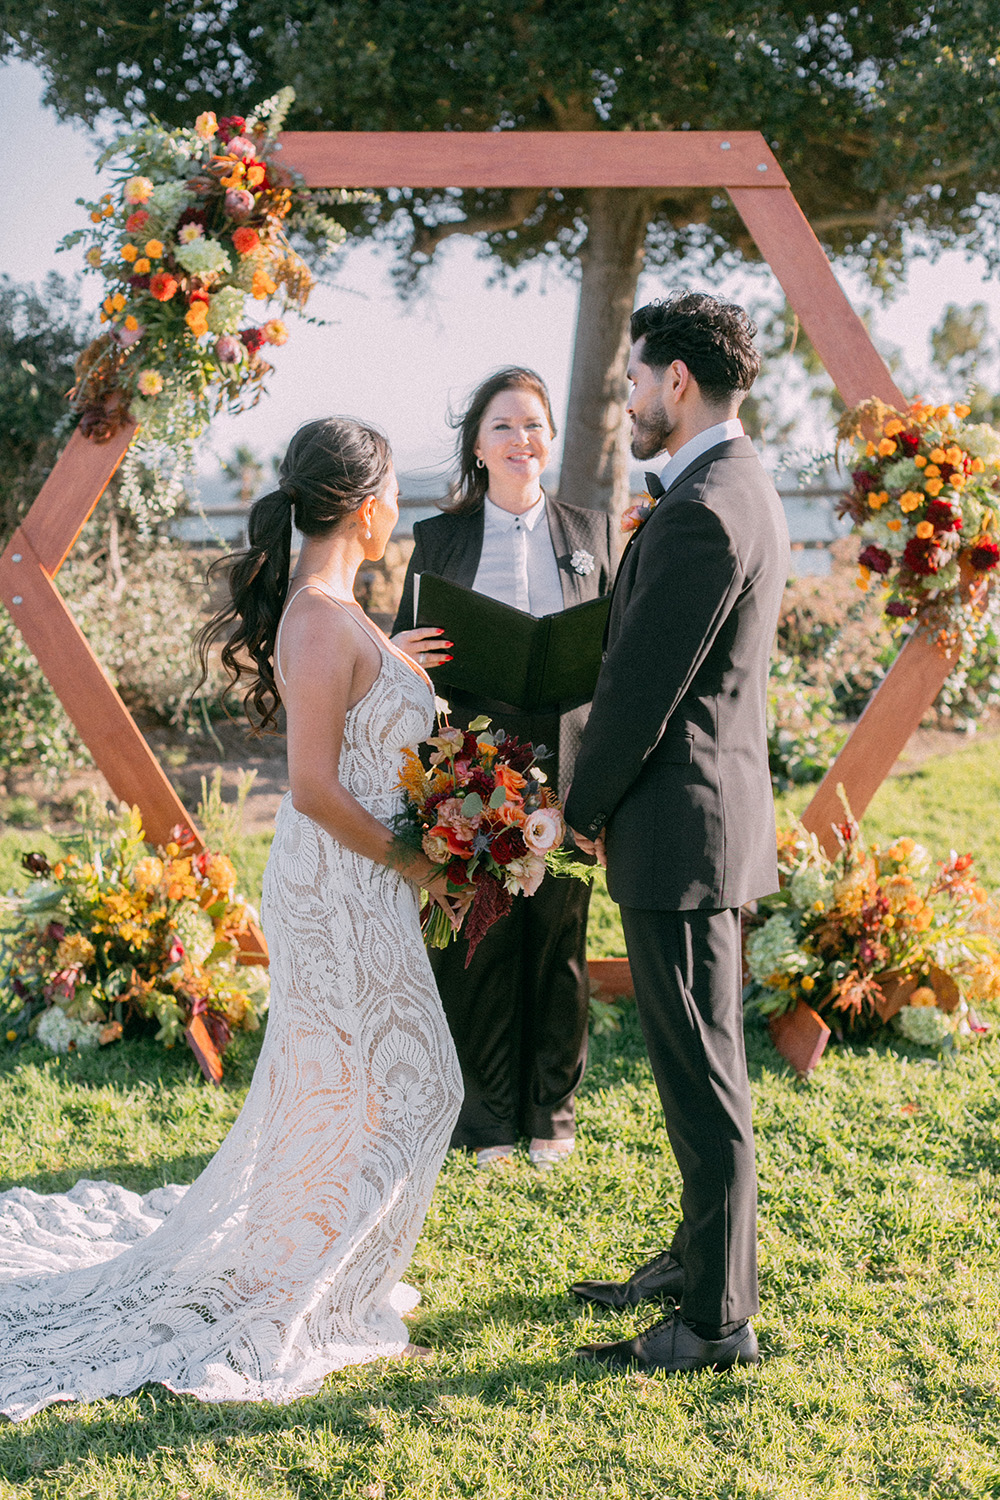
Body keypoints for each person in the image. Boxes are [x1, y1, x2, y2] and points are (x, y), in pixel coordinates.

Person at [0, 417, 465, 1421]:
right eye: (399, 503)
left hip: (354, 880)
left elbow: (350, 715)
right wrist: (417, 859)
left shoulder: (340, 610)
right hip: (340, 883)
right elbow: (307, 786)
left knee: (355, 1084)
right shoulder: (317, 616)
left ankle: (313, 1265)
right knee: (418, 1084)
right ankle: (313, 1285)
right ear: (371, 505)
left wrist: (400, 670)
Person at [564, 294, 790, 1374]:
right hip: (700, 819)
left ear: (677, 385)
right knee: (702, 1064)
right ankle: (702, 1262)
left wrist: (576, 812)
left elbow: (643, 691)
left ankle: (713, 1321)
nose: (628, 400)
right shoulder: (729, 484)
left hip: (678, 827)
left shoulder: (703, 505)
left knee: (701, 1078)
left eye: (634, 382)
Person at [392, 368, 612, 1170]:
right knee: (479, 939)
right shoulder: (440, 539)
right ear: (478, 448)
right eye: (504, 428)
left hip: (565, 765)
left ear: (551, 439)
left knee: (558, 940)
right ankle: (484, 1115)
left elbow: (615, 650)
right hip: (471, 770)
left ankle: (550, 1109)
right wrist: (399, 651)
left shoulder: (592, 531)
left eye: (534, 425)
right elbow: (406, 643)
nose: (523, 440)